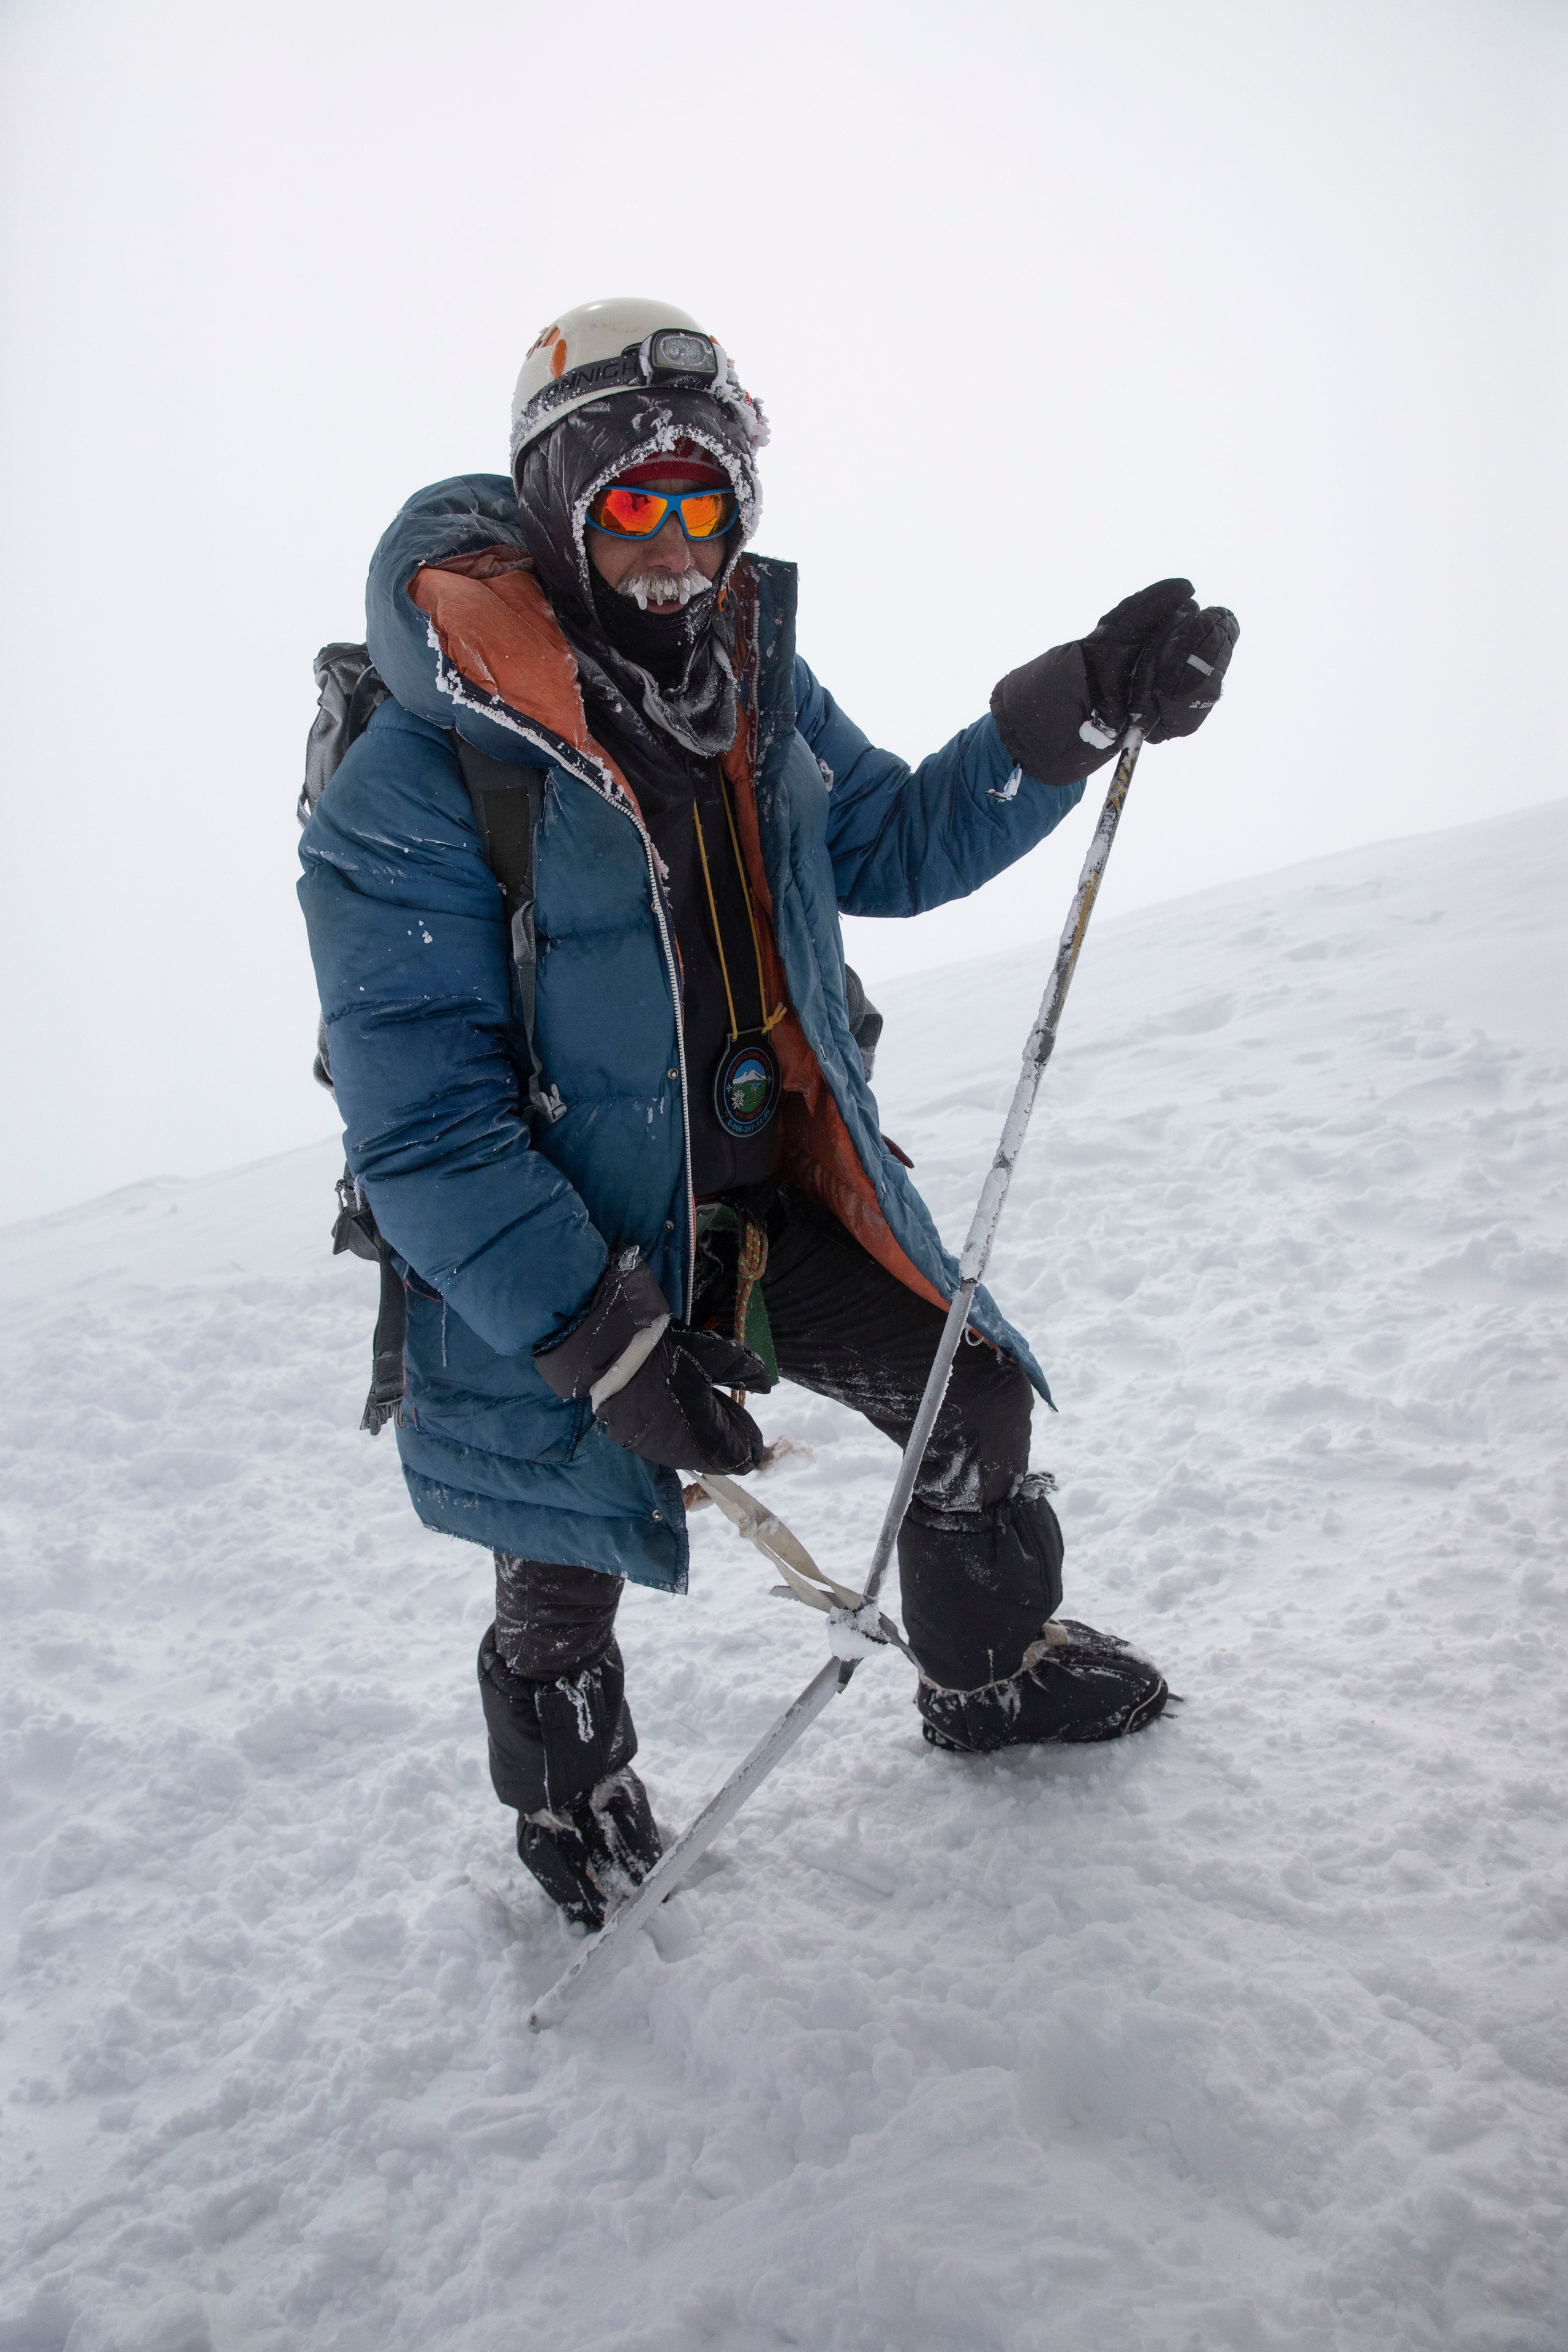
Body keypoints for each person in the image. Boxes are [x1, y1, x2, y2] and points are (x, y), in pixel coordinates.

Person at [298, 298, 1238, 1929]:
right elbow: (428, 1128)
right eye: (635, 506)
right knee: (564, 1559)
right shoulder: (423, 772)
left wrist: (1078, 707)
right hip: (572, 1256)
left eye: (704, 505)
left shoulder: (749, 680)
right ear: (557, 502)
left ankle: (986, 1676)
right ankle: (572, 1813)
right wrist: (606, 1343)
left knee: (974, 1402)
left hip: (771, 1199)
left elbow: (891, 841)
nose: (674, 549)